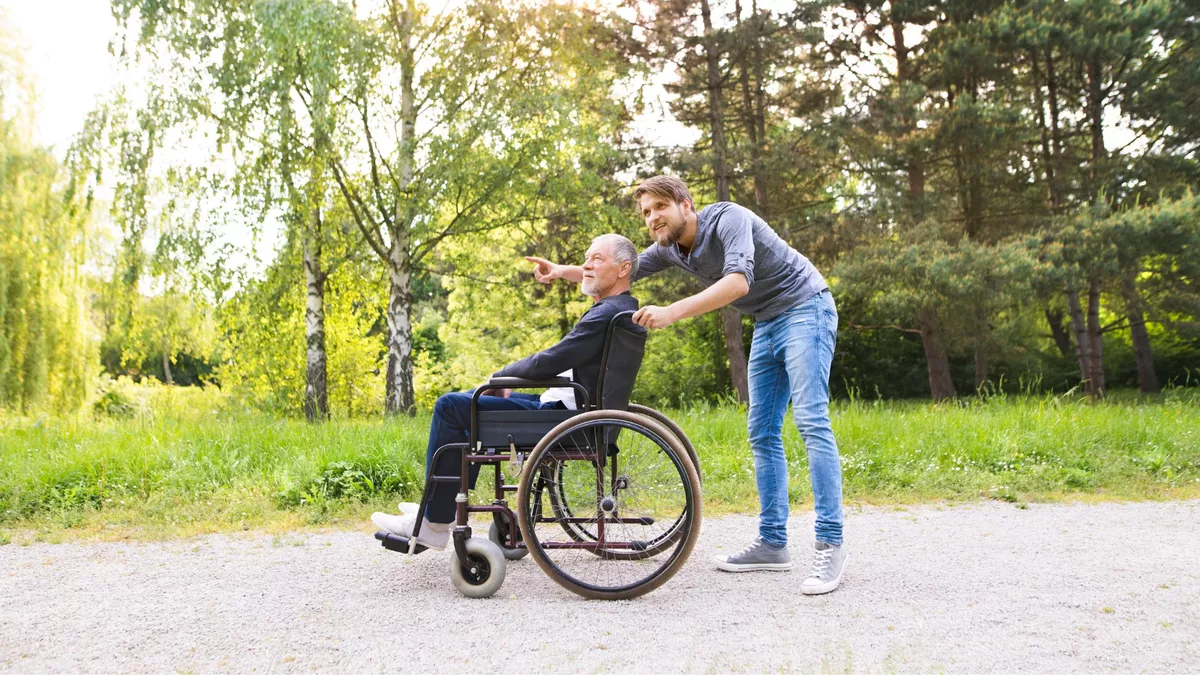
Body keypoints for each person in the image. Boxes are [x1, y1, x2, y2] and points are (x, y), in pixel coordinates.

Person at [525, 175, 847, 595]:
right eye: (645, 212)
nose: (652, 217)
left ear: (686, 205)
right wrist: (563, 271)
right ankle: (772, 543)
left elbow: (738, 283)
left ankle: (830, 542)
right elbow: (623, 268)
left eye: (660, 207)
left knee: (809, 420)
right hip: (767, 322)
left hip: (806, 307)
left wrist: (673, 311)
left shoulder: (729, 218)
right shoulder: (668, 249)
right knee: (762, 432)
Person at [371, 234, 641, 550]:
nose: (586, 264)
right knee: (470, 400)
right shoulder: (620, 309)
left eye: (597, 258)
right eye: (586, 257)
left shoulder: (605, 313)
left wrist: (501, 376)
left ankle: (434, 521)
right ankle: (437, 512)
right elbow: (558, 360)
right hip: (573, 410)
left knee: (451, 406)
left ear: (623, 269)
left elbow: (552, 359)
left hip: (564, 419)